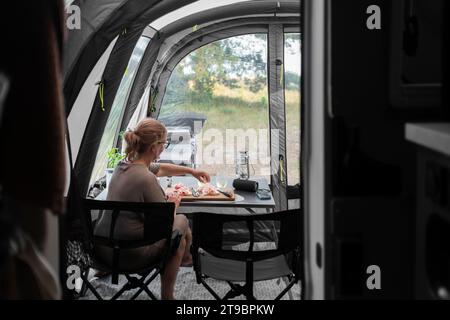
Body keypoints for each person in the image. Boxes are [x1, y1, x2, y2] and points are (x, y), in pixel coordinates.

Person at [94, 118, 210, 300]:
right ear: (154, 147)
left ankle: (188, 258)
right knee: (181, 223)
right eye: (164, 143)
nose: (165, 147)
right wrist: (173, 204)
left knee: (181, 229)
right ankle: (168, 294)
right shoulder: (146, 179)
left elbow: (160, 168)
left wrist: (191, 171)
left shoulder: (122, 166)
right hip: (131, 254)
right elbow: (163, 227)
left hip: (103, 251)